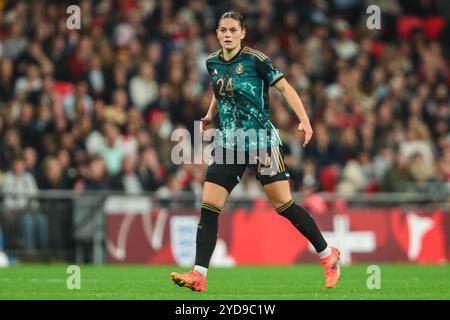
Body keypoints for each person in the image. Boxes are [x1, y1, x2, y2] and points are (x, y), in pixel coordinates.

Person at [169, 11, 340, 292]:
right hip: (228, 144)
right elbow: (219, 90)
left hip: (260, 141)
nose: (227, 34)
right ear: (216, 33)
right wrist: (211, 114)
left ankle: (327, 255)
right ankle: (199, 274)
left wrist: (305, 120)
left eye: (232, 30)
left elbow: (285, 88)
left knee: (283, 204)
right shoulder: (212, 62)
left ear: (242, 33)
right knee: (209, 207)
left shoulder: (256, 60)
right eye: (222, 29)